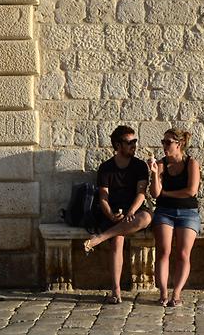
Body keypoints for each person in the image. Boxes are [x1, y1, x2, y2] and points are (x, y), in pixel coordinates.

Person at [83, 125, 152, 304]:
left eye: (135, 141)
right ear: (117, 145)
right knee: (118, 239)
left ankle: (98, 239)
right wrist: (111, 215)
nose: (133, 145)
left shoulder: (139, 166)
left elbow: (141, 193)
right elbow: (103, 198)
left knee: (146, 218)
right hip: (113, 212)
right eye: (129, 142)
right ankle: (116, 290)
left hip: (134, 211)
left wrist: (131, 210)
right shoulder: (106, 168)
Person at [147, 128, 201, 307]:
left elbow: (191, 191)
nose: (164, 145)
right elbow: (155, 194)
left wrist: (167, 193)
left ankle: (176, 294)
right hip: (164, 212)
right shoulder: (161, 165)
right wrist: (154, 173)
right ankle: (163, 293)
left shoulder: (191, 163)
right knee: (164, 251)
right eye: (163, 142)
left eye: (168, 142)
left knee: (184, 253)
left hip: (188, 213)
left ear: (179, 144)